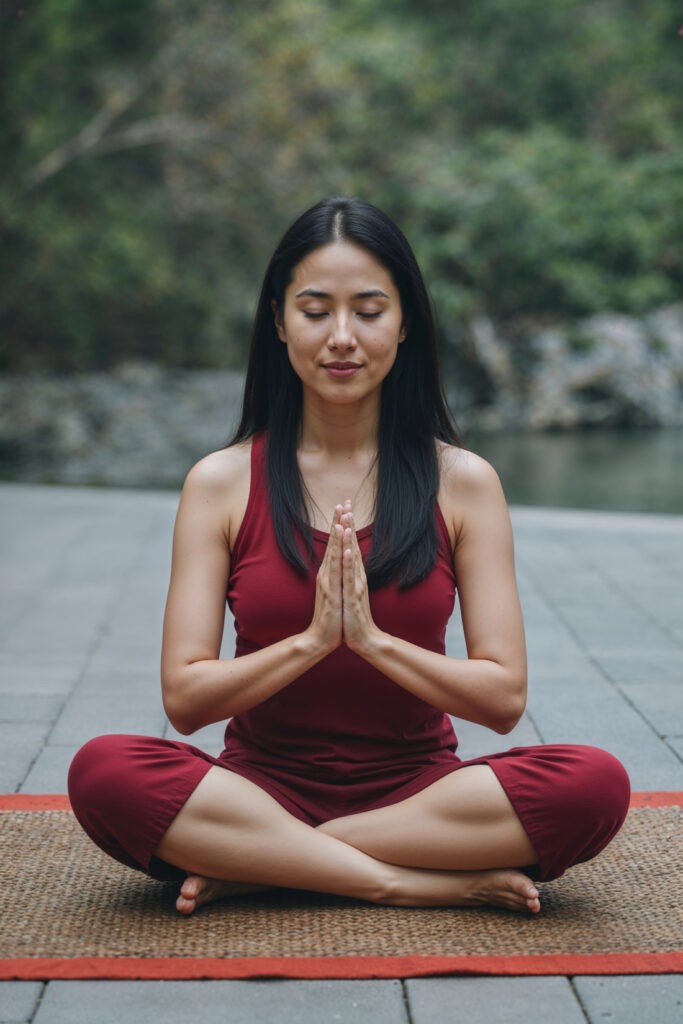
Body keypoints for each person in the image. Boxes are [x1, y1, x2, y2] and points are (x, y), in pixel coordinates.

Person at [68, 196, 630, 917]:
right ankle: (397, 879)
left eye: (367, 311)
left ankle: (270, 862)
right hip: (255, 788)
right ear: (277, 322)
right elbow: (184, 701)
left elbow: (501, 699)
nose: (341, 336)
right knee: (105, 771)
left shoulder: (462, 483)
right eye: (313, 310)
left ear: (403, 326)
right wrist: (310, 642)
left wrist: (368, 640)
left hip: (421, 794)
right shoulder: (221, 483)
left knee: (593, 783)